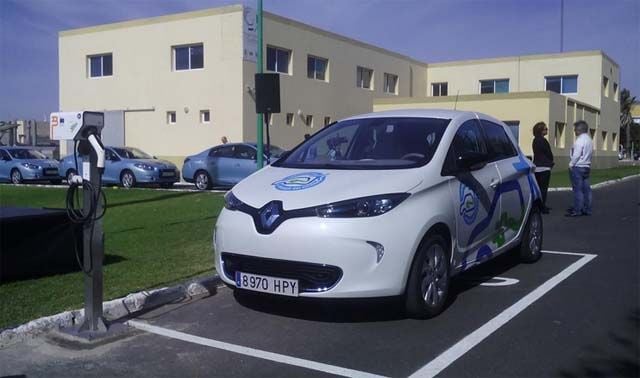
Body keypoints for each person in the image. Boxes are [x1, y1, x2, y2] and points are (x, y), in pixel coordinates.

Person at [566, 120, 593, 217]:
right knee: (587, 189)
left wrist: (571, 164)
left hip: (578, 166)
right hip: (586, 166)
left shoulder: (579, 140)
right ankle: (588, 209)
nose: (574, 131)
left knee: (577, 189)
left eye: (575, 129)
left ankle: (577, 210)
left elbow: (577, 154)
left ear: (579, 129)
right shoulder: (589, 140)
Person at [532, 122, 554, 214]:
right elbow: (548, 153)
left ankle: (538, 206)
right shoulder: (543, 141)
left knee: (538, 188)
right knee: (543, 189)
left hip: (537, 166)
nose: (547, 130)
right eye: (545, 129)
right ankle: (542, 207)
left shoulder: (535, 140)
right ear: (541, 131)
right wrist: (551, 161)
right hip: (544, 167)